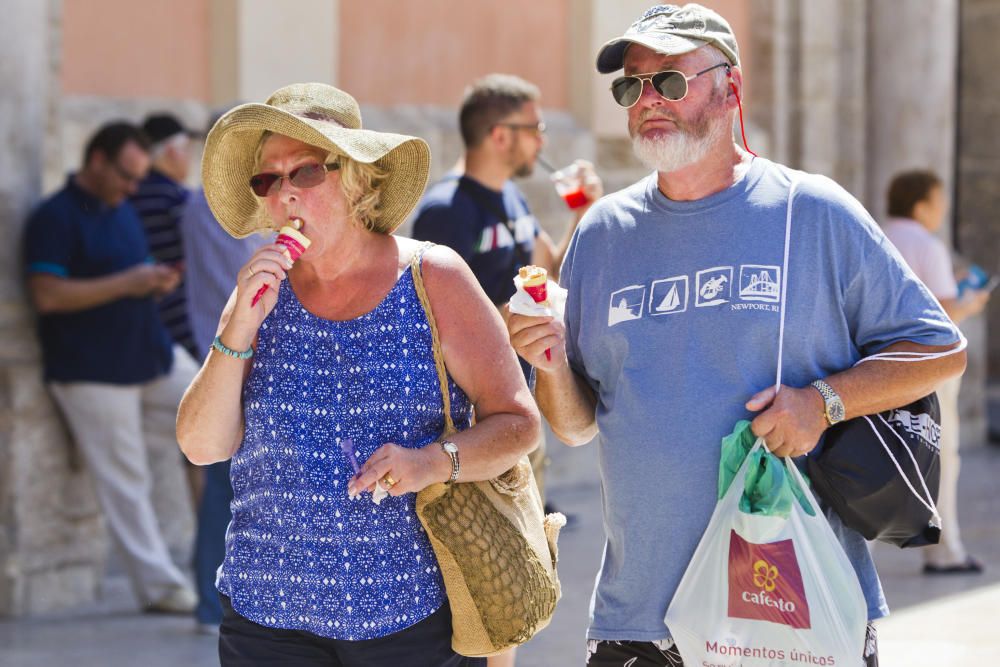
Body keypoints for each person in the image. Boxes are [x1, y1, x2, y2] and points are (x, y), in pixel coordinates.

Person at [505, 5, 966, 666]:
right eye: (632, 87)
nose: (647, 101)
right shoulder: (602, 233)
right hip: (638, 621)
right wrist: (549, 364)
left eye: (669, 81)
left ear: (732, 89)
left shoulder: (811, 211)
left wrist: (824, 402)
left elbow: (940, 347)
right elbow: (579, 424)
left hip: (789, 611)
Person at [176, 83, 539, 666]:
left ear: (358, 179)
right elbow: (200, 445)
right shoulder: (257, 297)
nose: (285, 194)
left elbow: (519, 425)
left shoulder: (432, 278)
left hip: (412, 616)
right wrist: (236, 330)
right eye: (268, 180)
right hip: (267, 619)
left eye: (305, 173)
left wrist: (428, 462)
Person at [23, 121, 199, 614]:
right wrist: (128, 282)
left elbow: (134, 272)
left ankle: (196, 561)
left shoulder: (123, 212)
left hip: (150, 356)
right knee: (126, 478)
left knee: (216, 413)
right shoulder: (53, 218)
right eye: (125, 175)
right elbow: (47, 294)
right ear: (96, 161)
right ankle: (161, 588)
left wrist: (153, 282)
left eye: (139, 177)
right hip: (91, 369)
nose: (133, 188)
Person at [412, 74, 602, 528]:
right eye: (534, 129)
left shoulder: (512, 198)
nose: (541, 141)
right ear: (500, 135)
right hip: (473, 423)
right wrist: (515, 318)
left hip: (521, 403)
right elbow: (436, 317)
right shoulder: (446, 210)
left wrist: (582, 212)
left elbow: (549, 272)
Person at [179, 110, 269, 634]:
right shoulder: (250, 219)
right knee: (222, 487)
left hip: (210, 353)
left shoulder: (191, 207)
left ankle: (209, 603)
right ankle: (213, 604)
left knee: (221, 487)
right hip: (233, 358)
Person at [883, 169, 989, 575]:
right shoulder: (928, 244)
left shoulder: (875, 232)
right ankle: (945, 552)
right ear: (921, 204)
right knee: (942, 457)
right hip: (928, 367)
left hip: (876, 364)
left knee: (871, 450)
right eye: (939, 200)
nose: (942, 209)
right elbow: (944, 313)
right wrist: (972, 302)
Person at [131, 113, 198, 359]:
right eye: (187, 150)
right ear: (172, 151)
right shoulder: (178, 199)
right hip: (182, 315)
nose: (190, 159)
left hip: (146, 318)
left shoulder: (128, 195)